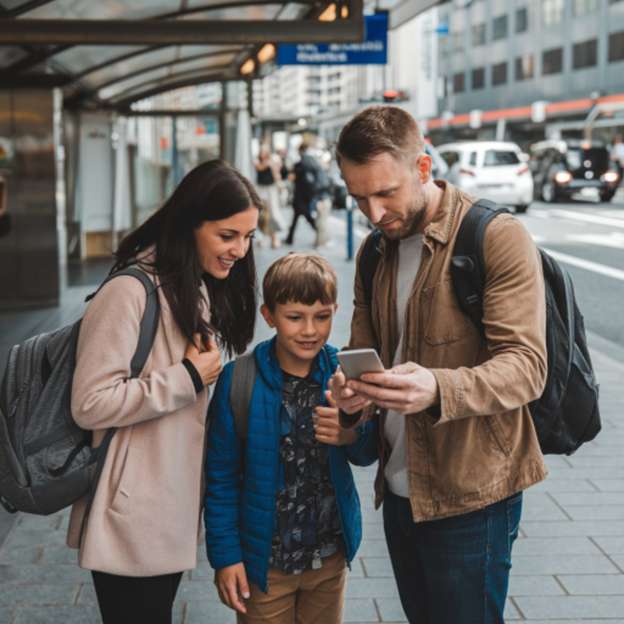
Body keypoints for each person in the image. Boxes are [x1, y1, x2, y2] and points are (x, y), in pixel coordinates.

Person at [328, 106, 548, 624]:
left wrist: (437, 389)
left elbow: (527, 365)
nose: (374, 212)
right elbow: (363, 360)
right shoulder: (373, 253)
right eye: (359, 197)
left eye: (386, 192)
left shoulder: (494, 236)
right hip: (400, 490)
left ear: (423, 169)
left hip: (472, 494)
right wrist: (350, 398)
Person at [67, 159, 262, 624]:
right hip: (131, 513)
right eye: (228, 235)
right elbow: (90, 403)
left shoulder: (189, 285)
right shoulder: (130, 291)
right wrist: (189, 377)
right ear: (191, 223)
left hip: (165, 509)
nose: (241, 248)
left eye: (249, 236)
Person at [204, 252, 378, 624]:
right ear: (269, 316)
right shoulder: (238, 381)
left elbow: (367, 453)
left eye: (322, 317)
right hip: (265, 566)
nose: (310, 330)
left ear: (335, 309)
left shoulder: (346, 372)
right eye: (295, 317)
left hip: (329, 557)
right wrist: (225, 556)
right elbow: (220, 478)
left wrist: (349, 432)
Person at [284, 144, 320, 245]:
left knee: (304, 215)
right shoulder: (312, 162)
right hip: (307, 194)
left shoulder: (301, 163)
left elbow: (294, 176)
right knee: (300, 216)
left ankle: (319, 232)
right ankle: (289, 238)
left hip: (301, 194)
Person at [254, 147, 286, 249]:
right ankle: (260, 238)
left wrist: (279, 186)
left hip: (270, 190)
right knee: (259, 214)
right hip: (261, 189)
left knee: (272, 214)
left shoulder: (271, 160)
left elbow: (276, 173)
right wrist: (269, 163)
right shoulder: (257, 160)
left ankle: (274, 238)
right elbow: (259, 167)